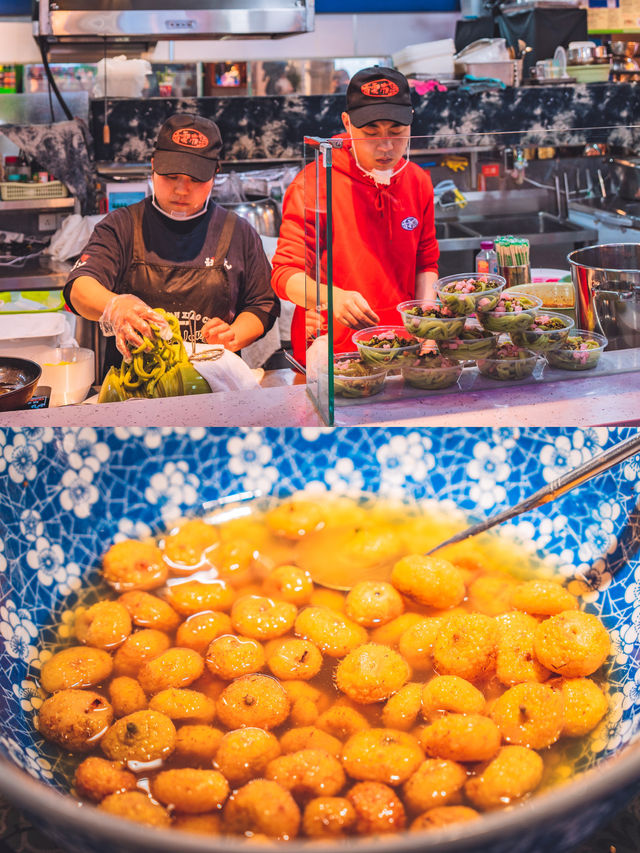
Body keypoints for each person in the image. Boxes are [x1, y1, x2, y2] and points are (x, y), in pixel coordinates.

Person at [64, 113, 280, 372]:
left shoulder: (238, 232)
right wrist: (116, 305)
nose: (181, 190)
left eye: (196, 180)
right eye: (171, 176)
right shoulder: (121, 225)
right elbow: (79, 287)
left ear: (215, 173)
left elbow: (262, 304)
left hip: (214, 385)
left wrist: (233, 335)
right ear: (154, 166)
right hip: (133, 388)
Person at [271, 66, 439, 367]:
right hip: (333, 353)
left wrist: (427, 326)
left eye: (397, 132)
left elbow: (425, 262)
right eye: (371, 132)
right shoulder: (314, 183)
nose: (385, 146)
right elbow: (285, 275)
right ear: (347, 123)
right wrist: (330, 297)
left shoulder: (418, 181)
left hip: (402, 346)